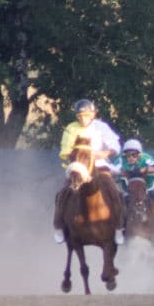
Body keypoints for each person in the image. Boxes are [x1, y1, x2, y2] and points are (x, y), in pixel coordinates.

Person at [55, 98, 123, 243]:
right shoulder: (71, 128)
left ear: (93, 115)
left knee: (114, 191)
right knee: (63, 192)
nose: (83, 119)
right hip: (78, 166)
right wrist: (75, 155)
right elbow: (65, 150)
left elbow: (115, 147)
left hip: (99, 165)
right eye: (80, 116)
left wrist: (105, 153)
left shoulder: (101, 127)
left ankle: (118, 227)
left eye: (86, 116)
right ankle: (59, 226)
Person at [110, 138, 154, 215]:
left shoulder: (145, 158)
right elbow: (112, 171)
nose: (131, 158)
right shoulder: (120, 160)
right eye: (128, 155)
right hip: (128, 193)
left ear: (139, 154)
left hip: (147, 190)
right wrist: (121, 172)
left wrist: (144, 170)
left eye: (134, 155)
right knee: (116, 210)